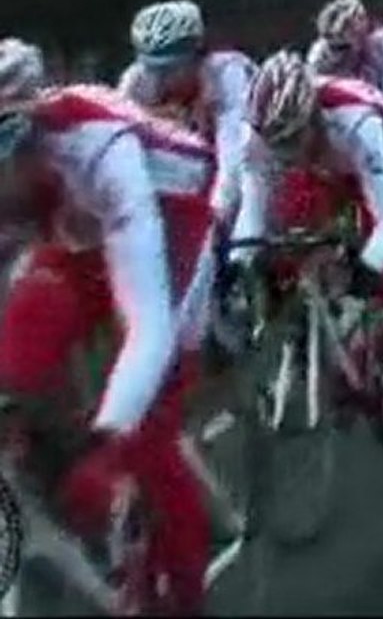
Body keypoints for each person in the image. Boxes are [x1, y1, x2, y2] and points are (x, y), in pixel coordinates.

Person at [0, 38, 216, 614]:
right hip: (79, 227)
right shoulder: (27, 168)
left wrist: (110, 434)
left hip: (172, 216)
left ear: (28, 138)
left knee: (146, 432)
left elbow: (149, 326)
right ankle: (88, 489)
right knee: (21, 351)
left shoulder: (98, 150)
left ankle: (186, 586)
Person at [237, 50, 383, 425]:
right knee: (288, 239)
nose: (283, 150)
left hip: (377, 159)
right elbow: (252, 212)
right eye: (276, 142)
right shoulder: (259, 133)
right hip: (321, 165)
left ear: (314, 115)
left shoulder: (357, 122)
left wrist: (369, 267)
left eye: (291, 138)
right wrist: (242, 263)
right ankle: (311, 320)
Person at [306, 0, 383, 284]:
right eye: (333, 47)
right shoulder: (320, 50)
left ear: (362, 33)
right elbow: (307, 92)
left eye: (345, 47)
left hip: (381, 116)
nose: (339, 55)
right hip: (343, 120)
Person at [117, 0, 258, 238]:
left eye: (170, 69)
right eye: (151, 68)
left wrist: (215, 223)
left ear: (197, 56)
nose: (159, 79)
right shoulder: (136, 81)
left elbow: (233, 163)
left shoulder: (228, 74)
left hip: (246, 168)